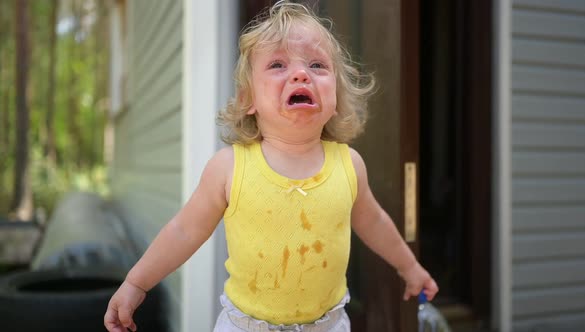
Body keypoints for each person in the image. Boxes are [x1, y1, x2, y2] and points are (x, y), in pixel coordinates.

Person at [104, 1, 438, 331]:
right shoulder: (230, 168)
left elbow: (375, 222)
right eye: (278, 65)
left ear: (336, 96)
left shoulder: (349, 165)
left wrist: (409, 268)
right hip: (246, 325)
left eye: (318, 66)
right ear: (248, 99)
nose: (300, 73)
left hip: (329, 324)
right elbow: (184, 230)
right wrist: (137, 283)